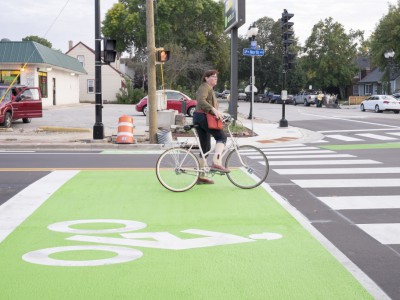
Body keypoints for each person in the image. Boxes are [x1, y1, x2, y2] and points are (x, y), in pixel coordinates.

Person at [193, 69, 230, 185]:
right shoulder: (205, 87)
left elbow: (208, 106)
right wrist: (213, 109)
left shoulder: (210, 89)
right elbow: (201, 101)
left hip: (200, 117)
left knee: (205, 148)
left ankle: (201, 176)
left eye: (216, 77)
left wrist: (220, 114)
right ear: (206, 78)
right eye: (213, 76)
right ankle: (217, 162)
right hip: (203, 117)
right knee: (222, 138)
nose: (215, 78)